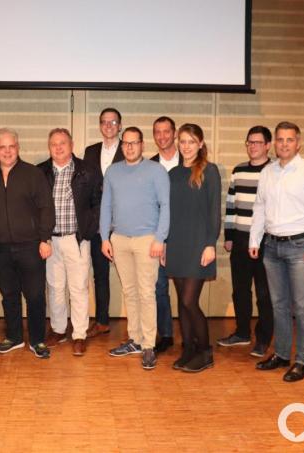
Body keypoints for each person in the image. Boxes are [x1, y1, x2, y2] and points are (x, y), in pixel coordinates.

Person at [251, 121, 304, 382]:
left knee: (302, 307)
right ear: (274, 142)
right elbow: (260, 208)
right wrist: (255, 240)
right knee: (279, 305)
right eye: (280, 139)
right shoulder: (268, 172)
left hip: (300, 248)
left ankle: (303, 361)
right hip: (271, 247)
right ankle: (282, 354)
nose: (284, 144)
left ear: (298, 142)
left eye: (289, 140)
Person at [100, 126, 169, 370]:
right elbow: (105, 206)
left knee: (146, 293)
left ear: (142, 144)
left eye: (134, 143)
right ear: (121, 146)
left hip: (146, 240)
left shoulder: (156, 171)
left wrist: (160, 239)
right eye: (125, 143)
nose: (129, 147)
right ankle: (135, 340)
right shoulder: (113, 171)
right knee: (130, 292)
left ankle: (149, 345)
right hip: (119, 239)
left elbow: (165, 206)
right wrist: (104, 237)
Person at [0, 128, 55, 359]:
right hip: (0, 249)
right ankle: (14, 337)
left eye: (11, 146)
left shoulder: (33, 174)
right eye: (2, 147)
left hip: (31, 246)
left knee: (35, 295)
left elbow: (47, 207)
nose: (7, 151)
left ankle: (37, 340)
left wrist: (45, 238)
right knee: (9, 294)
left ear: (18, 147)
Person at [38, 129, 102, 356]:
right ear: (49, 147)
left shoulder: (87, 170)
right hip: (50, 241)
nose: (58, 147)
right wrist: (41, 237)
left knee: (78, 288)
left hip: (77, 239)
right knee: (55, 288)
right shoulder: (41, 171)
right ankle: (57, 329)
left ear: (71, 144)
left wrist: (88, 232)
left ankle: (79, 334)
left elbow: (98, 203)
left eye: (62, 143)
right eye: (53, 144)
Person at [163, 123, 221, 372]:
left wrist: (210, 244)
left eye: (191, 141)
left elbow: (214, 211)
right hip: (176, 243)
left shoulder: (210, 171)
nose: (186, 146)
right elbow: (167, 212)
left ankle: (205, 352)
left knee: (189, 301)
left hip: (199, 244)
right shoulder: (173, 174)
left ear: (200, 143)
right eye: (182, 141)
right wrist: (164, 243)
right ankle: (188, 349)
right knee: (181, 301)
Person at [218, 126, 274, 358]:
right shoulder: (239, 170)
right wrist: (229, 236)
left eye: (258, 142)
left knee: (264, 293)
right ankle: (242, 333)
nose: (253, 146)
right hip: (240, 240)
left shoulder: (274, 171)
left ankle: (263, 339)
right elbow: (231, 206)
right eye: (249, 142)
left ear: (268, 145)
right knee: (240, 290)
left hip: (266, 242)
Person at [83, 107, 124, 338]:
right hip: (98, 224)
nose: (108, 126)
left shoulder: (128, 150)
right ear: (100, 125)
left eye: (113, 122)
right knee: (100, 274)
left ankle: (139, 324)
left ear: (120, 125)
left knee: (130, 276)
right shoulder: (90, 151)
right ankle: (102, 320)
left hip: (124, 224)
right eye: (104, 122)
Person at [149, 116, 181, 353]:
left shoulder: (189, 163)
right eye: (157, 132)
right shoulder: (149, 165)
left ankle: (190, 336)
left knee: (185, 290)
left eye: (166, 131)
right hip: (157, 236)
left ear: (175, 133)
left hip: (185, 237)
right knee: (159, 288)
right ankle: (166, 334)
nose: (162, 136)